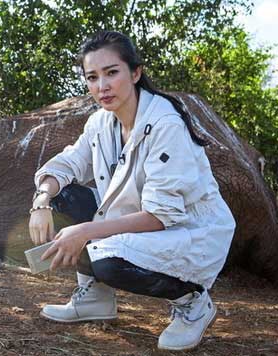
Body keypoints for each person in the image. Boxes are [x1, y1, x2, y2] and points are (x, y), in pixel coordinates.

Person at [28, 31, 236, 351]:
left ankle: (193, 303)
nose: (102, 87)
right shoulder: (101, 122)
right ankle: (95, 297)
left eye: (112, 73)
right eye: (92, 77)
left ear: (135, 73)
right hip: (134, 220)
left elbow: (160, 216)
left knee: (107, 262)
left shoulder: (165, 124)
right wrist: (41, 201)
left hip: (184, 230)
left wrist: (84, 231)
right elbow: (67, 165)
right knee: (61, 195)